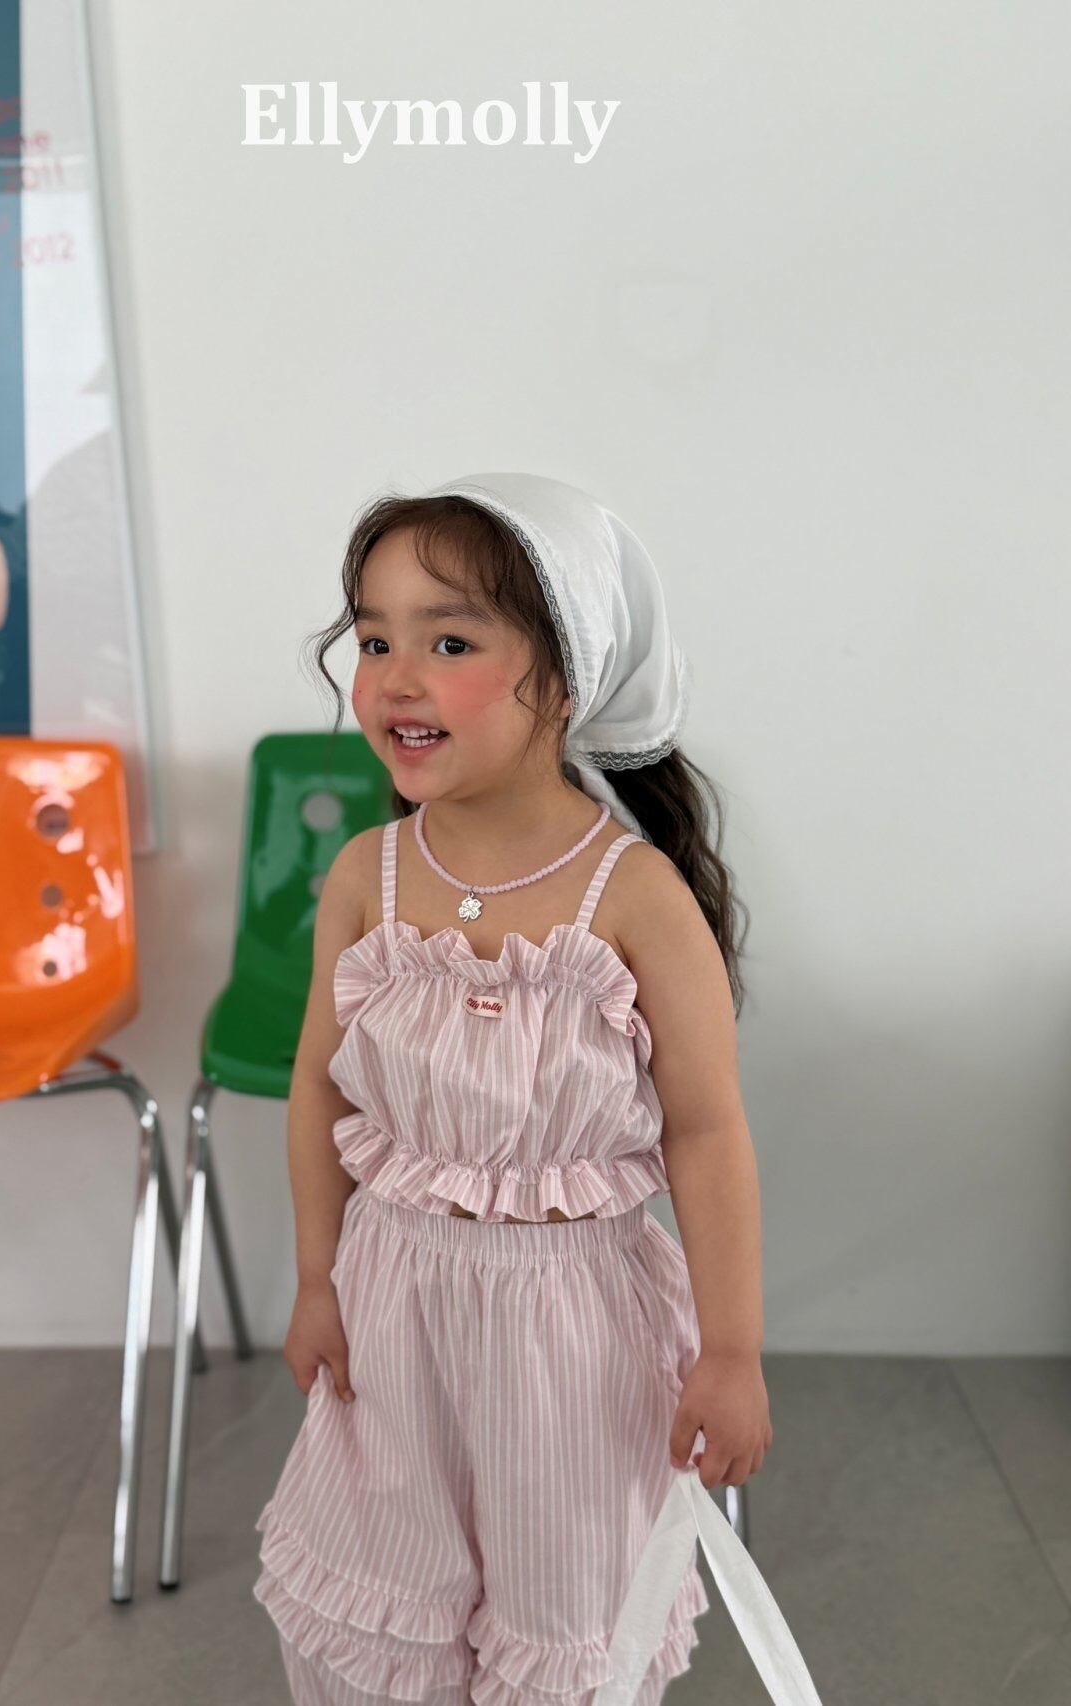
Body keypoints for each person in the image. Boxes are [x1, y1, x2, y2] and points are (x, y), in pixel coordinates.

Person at [253, 473, 823, 1704]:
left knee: (558, 1612)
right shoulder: (365, 876)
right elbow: (317, 1094)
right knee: (383, 1578)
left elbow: (706, 1132)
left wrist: (730, 1349)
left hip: (572, 1333)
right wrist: (314, 1275)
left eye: (449, 642)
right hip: (393, 1308)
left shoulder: (634, 897)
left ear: (565, 678)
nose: (397, 677)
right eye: (373, 640)